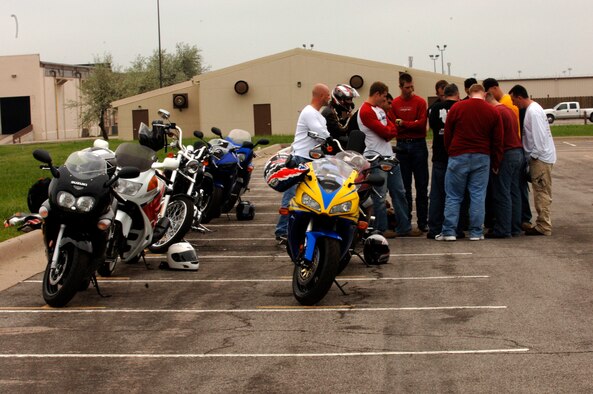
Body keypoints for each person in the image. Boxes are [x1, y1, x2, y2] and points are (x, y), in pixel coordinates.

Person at [435, 84, 504, 241]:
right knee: (478, 195)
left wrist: (450, 151)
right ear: (484, 94)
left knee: (453, 195)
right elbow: (498, 140)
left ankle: (449, 231)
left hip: (458, 154)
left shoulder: (458, 108)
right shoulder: (492, 111)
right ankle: (476, 232)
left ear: (469, 93)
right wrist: (496, 162)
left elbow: (448, 133)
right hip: (482, 156)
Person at [358, 81, 421, 238]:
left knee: (399, 192)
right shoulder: (365, 111)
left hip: (388, 157)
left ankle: (404, 226)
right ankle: (381, 228)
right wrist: (392, 130)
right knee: (379, 195)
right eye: (384, 96)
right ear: (378, 94)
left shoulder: (378, 110)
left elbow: (390, 128)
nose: (385, 100)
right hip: (376, 158)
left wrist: (391, 129)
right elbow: (386, 132)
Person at [274, 83, 332, 242]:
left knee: (311, 196)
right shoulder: (308, 112)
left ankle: (304, 229)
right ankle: (282, 232)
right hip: (300, 159)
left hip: (314, 160)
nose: (329, 98)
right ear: (321, 96)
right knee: (291, 195)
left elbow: (325, 133)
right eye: (327, 95)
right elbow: (321, 133)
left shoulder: (318, 115)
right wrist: (329, 138)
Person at [509, 85, 557, 236]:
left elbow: (539, 138)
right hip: (541, 157)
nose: (514, 104)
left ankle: (544, 225)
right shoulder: (534, 109)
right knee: (540, 191)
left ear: (519, 97)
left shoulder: (533, 112)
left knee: (541, 192)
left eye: (513, 100)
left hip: (541, 159)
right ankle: (543, 223)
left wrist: (533, 157)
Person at [391, 72, 429, 232]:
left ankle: (422, 222)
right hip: (402, 147)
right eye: (407, 87)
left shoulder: (420, 102)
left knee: (421, 186)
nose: (411, 89)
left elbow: (421, 124)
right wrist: (410, 123)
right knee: (404, 187)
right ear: (400, 87)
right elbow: (393, 123)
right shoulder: (395, 103)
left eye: (412, 86)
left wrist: (404, 123)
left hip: (419, 145)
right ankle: (405, 222)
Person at [427, 83, 464, 239]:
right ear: (456, 94)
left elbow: (433, 128)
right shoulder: (461, 107)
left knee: (437, 194)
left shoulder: (434, 108)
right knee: (457, 194)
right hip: (457, 155)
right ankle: (458, 227)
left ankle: (435, 227)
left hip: (440, 155)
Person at [484, 92, 524, 238]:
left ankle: (503, 229)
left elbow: (498, 140)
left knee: (502, 192)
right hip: (517, 152)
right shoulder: (508, 110)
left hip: (506, 154)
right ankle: (514, 227)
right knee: (514, 192)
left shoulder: (496, 113)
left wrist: (496, 161)